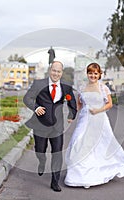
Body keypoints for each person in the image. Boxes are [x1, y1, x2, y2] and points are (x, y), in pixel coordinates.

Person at [64, 63, 124, 189]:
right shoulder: (82, 87)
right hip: (84, 120)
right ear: (87, 74)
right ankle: (77, 176)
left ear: (99, 75)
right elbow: (79, 105)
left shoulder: (103, 88)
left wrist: (98, 111)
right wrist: (72, 116)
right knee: (78, 142)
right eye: (90, 73)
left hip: (99, 120)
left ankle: (94, 174)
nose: (92, 75)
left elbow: (109, 104)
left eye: (95, 73)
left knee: (99, 146)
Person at [23, 61, 77, 192]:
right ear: (49, 70)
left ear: (61, 73)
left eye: (58, 71)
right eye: (54, 70)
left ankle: (55, 181)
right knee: (40, 150)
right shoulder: (38, 84)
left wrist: (71, 114)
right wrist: (36, 108)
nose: (56, 74)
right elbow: (27, 98)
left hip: (57, 126)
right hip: (40, 124)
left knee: (57, 152)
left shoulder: (66, 87)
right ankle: (42, 161)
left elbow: (71, 100)